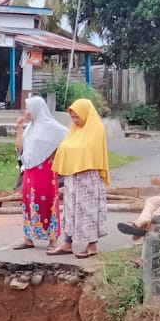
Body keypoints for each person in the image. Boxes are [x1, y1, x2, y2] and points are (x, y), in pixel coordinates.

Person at [50, 99, 111, 259]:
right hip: (73, 177)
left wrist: (70, 151)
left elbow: (86, 149)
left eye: (77, 117)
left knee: (88, 211)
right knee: (70, 210)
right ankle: (67, 243)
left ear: (85, 113)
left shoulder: (96, 128)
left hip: (88, 178)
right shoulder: (75, 129)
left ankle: (92, 245)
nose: (75, 121)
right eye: (73, 117)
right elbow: (65, 146)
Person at [14, 96, 65, 251]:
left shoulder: (51, 126)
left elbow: (66, 137)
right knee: (29, 203)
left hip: (46, 172)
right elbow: (20, 149)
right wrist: (19, 129)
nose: (26, 111)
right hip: (30, 172)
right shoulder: (30, 127)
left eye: (28, 108)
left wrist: (55, 155)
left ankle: (52, 239)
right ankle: (28, 238)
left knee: (48, 202)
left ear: (36, 109)